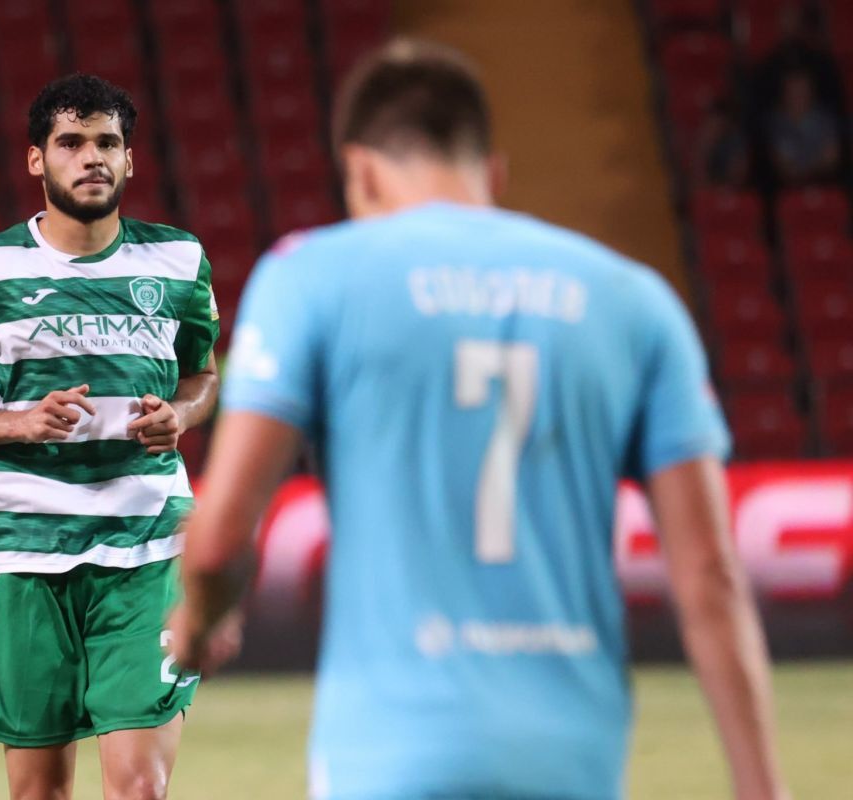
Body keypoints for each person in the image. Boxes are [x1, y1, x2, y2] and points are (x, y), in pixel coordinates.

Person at [171, 39, 788, 800]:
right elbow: (710, 575)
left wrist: (199, 630)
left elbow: (219, 543)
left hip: (389, 758)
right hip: (573, 759)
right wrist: (763, 788)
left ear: (361, 171)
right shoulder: (635, 300)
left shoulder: (310, 276)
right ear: (494, 174)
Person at [0, 73, 220, 800]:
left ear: (130, 159)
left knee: (139, 788)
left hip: (147, 546)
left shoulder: (179, 262)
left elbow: (205, 376)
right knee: (39, 793)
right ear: (36, 159)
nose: (92, 158)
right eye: (71, 143)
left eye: (107, 143)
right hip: (26, 552)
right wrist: (17, 421)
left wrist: (183, 415)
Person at [767, 69, 841, 186]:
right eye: (793, 91)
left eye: (802, 90)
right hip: (786, 188)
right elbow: (783, 168)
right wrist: (816, 164)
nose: (798, 96)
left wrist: (805, 170)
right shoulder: (775, 123)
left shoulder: (825, 119)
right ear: (784, 93)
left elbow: (831, 160)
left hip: (824, 184)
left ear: (811, 92)